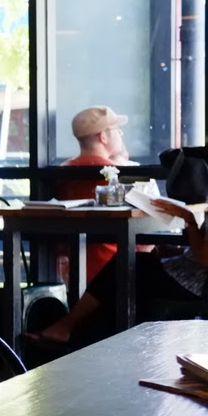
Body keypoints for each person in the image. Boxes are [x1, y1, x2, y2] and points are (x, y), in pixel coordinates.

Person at [36, 196, 208, 350]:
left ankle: (68, 329)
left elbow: (204, 258)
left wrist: (189, 219)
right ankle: (78, 336)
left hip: (196, 285)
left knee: (127, 266)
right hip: (197, 281)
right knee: (129, 271)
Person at [57, 106, 134, 284]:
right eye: (117, 129)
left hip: (69, 269)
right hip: (112, 266)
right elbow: (143, 240)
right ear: (103, 137)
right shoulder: (116, 174)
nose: (121, 134)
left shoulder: (61, 173)